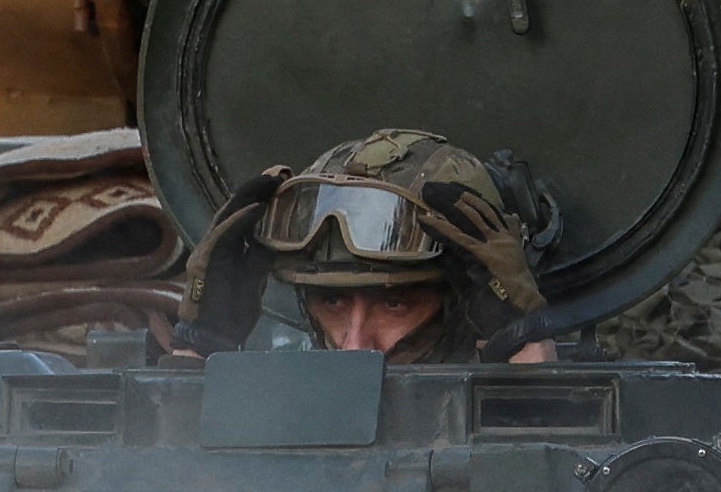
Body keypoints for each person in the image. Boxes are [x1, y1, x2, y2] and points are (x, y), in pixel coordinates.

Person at [182, 129, 545, 357]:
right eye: (333, 300)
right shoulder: (275, 410)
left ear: (463, 302)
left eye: (394, 303)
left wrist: (521, 342)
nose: (354, 345)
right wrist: (203, 345)